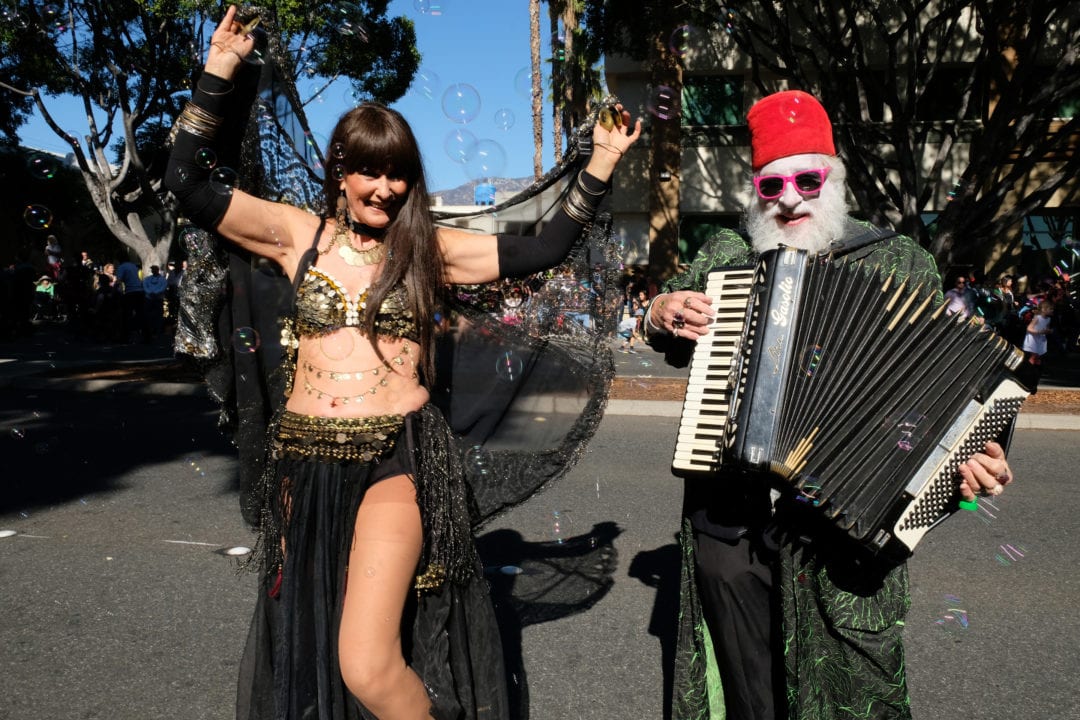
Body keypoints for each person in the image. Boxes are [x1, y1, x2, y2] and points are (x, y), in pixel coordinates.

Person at [164, 7, 640, 720]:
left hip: (398, 456)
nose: (383, 189)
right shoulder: (297, 234)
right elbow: (188, 184)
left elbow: (542, 248)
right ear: (341, 171)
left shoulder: (430, 248)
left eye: (396, 174)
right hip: (306, 461)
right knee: (314, 639)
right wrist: (219, 70)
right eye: (368, 172)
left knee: (365, 662)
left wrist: (599, 164)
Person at [643, 90, 1014, 720]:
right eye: (772, 183)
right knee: (746, 693)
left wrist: (982, 451)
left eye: (808, 178)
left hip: (844, 535)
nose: (790, 197)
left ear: (834, 177)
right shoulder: (725, 258)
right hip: (727, 525)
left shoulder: (900, 263)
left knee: (849, 692)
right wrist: (658, 313)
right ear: (755, 188)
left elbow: (956, 385)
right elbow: (671, 330)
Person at [1019, 300, 1054, 393]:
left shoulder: (1048, 319)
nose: (1052, 311)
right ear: (1044, 309)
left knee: (1038, 360)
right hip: (1033, 340)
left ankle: (1033, 380)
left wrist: (1048, 331)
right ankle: (1028, 380)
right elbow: (1029, 328)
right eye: (1050, 309)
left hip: (1040, 341)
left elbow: (1045, 328)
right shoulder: (1037, 318)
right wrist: (1039, 332)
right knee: (1033, 358)